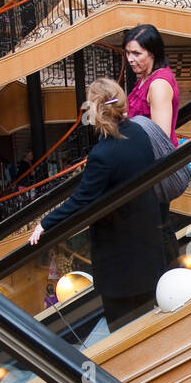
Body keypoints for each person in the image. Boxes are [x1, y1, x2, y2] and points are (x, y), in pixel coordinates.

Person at [28, 78, 167, 334]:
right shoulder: (139, 133)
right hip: (148, 245)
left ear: (94, 109)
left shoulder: (102, 154)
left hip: (120, 261)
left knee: (123, 331)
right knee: (149, 321)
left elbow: (82, 199)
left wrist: (45, 223)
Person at [123, 24, 180, 264]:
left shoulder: (157, 84)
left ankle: (170, 273)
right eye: (127, 53)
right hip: (143, 168)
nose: (130, 59)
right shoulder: (145, 78)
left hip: (152, 171)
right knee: (154, 226)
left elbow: (160, 138)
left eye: (137, 53)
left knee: (159, 226)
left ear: (153, 53)